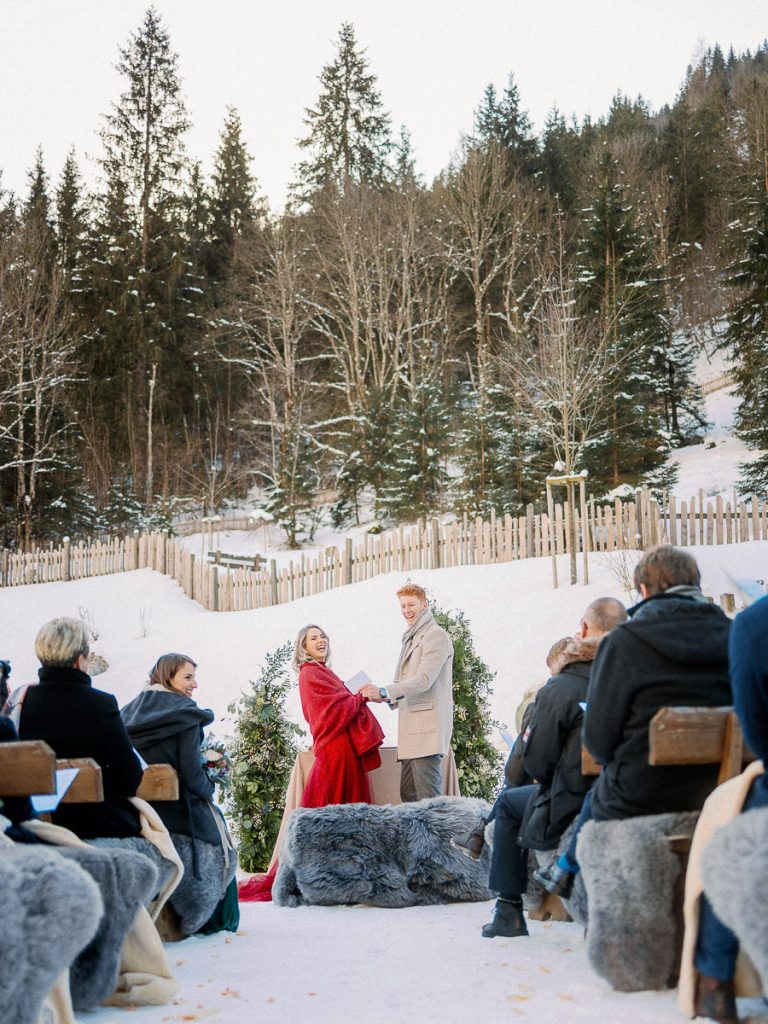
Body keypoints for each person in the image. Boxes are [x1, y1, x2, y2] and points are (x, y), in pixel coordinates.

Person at [536, 545, 732, 899]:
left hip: (641, 796)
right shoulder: (734, 635)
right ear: (696, 584)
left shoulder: (624, 643)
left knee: (604, 787)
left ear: (643, 591)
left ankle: (567, 868)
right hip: (722, 790)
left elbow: (598, 742)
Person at [475, 597, 628, 939]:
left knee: (511, 804)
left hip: (574, 801)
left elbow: (537, 763)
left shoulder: (561, 687)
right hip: (631, 792)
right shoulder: (633, 678)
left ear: (584, 630)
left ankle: (509, 910)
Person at [239, 624, 384, 901]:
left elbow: (334, 705)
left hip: (344, 750)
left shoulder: (323, 671)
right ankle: (323, 878)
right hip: (336, 751)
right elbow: (326, 714)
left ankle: (345, 877)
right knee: (331, 809)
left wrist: (353, 696)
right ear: (302, 647)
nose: (320, 641)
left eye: (323, 636)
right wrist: (359, 697)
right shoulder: (309, 674)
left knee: (343, 810)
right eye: (313, 638)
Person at [679, 592, 768, 1024]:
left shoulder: (753, 624)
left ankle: (715, 978)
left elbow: (757, 729)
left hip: (640, 791)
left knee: (726, 832)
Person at [121, 654, 238, 936]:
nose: (194, 684)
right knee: (219, 828)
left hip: (143, 811)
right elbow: (190, 771)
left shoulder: (128, 712)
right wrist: (208, 790)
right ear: (167, 676)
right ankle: (216, 917)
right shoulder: (185, 713)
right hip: (182, 810)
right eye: (188, 677)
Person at [17, 617, 144, 839]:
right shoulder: (100, 705)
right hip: (97, 824)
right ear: (79, 660)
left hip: (32, 822)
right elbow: (130, 780)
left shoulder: (20, 702)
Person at [359, 584, 454, 802]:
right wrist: (381, 696)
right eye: (403, 606)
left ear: (425, 605)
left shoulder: (435, 635)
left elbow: (423, 680)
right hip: (413, 732)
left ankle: (435, 837)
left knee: (428, 801)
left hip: (425, 732)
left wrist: (384, 691)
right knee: (409, 797)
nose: (406, 610)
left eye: (411, 604)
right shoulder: (413, 636)